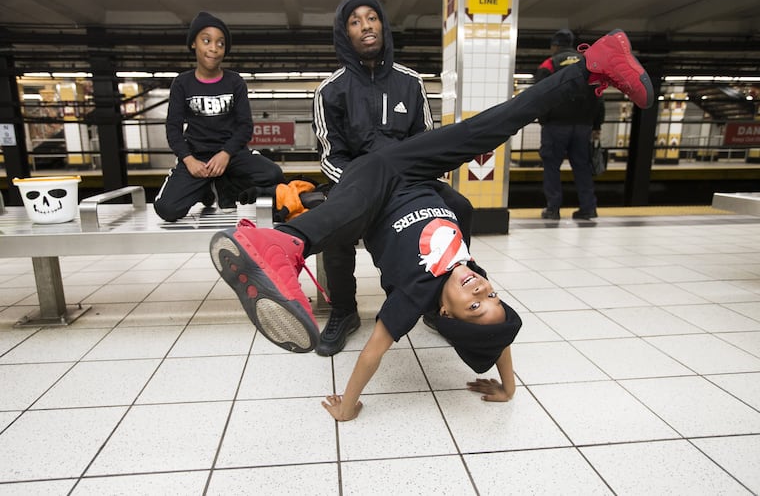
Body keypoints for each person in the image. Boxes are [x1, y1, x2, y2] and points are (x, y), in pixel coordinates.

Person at [209, 29, 653, 421]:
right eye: (492, 295)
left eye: (474, 305)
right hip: (416, 170)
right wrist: (509, 385)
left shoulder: (413, 295)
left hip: (376, 189)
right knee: (491, 128)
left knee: (347, 212)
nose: (482, 290)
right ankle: (593, 66)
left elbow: (373, 354)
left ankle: (280, 243)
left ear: (443, 313)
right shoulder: (471, 274)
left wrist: (348, 404)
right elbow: (499, 336)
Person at [312, 0, 475, 356]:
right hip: (356, 185)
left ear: (383, 25)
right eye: (355, 21)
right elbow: (329, 155)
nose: (365, 26)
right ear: (345, 33)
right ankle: (344, 310)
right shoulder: (330, 90)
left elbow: (427, 144)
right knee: (333, 227)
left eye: (372, 18)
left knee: (459, 207)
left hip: (411, 181)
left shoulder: (410, 82)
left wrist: (408, 182)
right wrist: (363, 189)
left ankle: (437, 301)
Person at [154, 11, 285, 222]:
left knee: (272, 174)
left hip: (232, 155)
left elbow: (245, 126)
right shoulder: (182, 83)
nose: (214, 48)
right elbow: (173, 128)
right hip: (197, 157)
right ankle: (207, 189)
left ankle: (226, 187)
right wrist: (188, 160)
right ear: (194, 44)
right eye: (206, 41)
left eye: (220, 43)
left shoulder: (235, 82)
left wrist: (225, 154)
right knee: (166, 209)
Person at [536, 29, 606, 221]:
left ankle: (553, 209)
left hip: (555, 126)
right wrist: (596, 125)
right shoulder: (588, 65)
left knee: (551, 166)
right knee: (582, 166)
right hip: (583, 126)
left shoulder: (549, 64)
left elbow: (540, 95)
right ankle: (588, 208)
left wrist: (544, 120)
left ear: (554, 46)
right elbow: (599, 97)